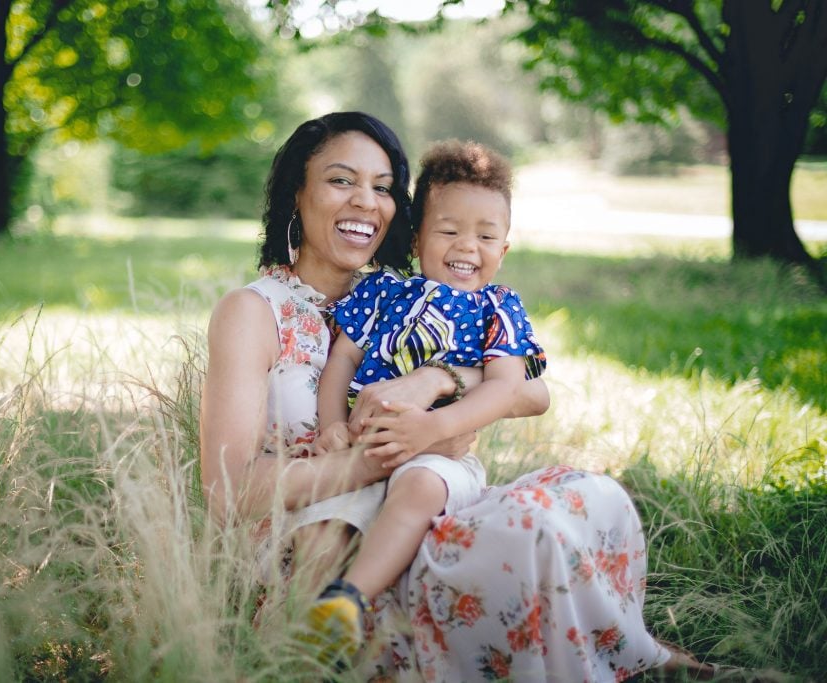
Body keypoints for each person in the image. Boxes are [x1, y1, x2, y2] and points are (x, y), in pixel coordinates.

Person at [199, 111, 718, 681]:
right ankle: (655, 668)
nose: (366, 203)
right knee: (526, 542)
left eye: (383, 188)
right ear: (296, 192)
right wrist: (374, 458)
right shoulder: (254, 311)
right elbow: (228, 492)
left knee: (580, 501)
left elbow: (532, 391)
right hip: (324, 538)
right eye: (341, 180)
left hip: (422, 493)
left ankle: (651, 660)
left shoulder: (407, 293)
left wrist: (436, 380)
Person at [304, 139, 548, 663]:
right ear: (416, 238)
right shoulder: (384, 292)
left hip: (440, 458)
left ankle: (348, 600)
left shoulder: (497, 309)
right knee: (325, 523)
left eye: (486, 236)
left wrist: (433, 432)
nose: (467, 247)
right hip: (362, 453)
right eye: (450, 230)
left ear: (503, 249)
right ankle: (318, 644)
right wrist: (330, 424)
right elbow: (341, 360)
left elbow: (506, 388)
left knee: (417, 485)